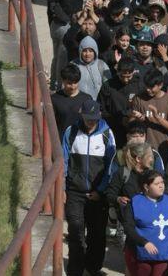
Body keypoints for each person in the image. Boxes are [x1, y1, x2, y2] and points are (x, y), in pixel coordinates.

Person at [61, 99, 116, 276]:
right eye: (87, 118)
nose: (91, 121)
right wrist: (62, 188)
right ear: (81, 115)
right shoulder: (71, 132)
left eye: (94, 118)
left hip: (98, 194)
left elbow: (111, 166)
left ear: (99, 115)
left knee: (97, 234)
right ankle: (75, 270)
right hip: (75, 191)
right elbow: (63, 160)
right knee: (76, 230)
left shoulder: (107, 134)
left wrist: (100, 190)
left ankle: (93, 268)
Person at [123, 170, 168, 275]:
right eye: (157, 184)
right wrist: (144, 242)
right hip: (141, 254)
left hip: (165, 253)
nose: (161, 186)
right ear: (146, 187)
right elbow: (128, 227)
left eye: (162, 182)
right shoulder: (135, 202)